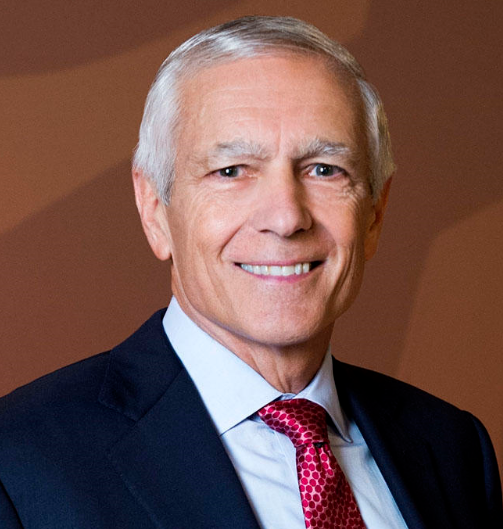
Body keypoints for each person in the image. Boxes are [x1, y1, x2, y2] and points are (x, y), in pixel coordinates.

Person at [0, 15, 501, 529]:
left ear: (374, 213)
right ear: (154, 210)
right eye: (231, 171)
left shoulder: (452, 449)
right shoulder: (18, 464)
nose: (286, 218)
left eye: (324, 169)